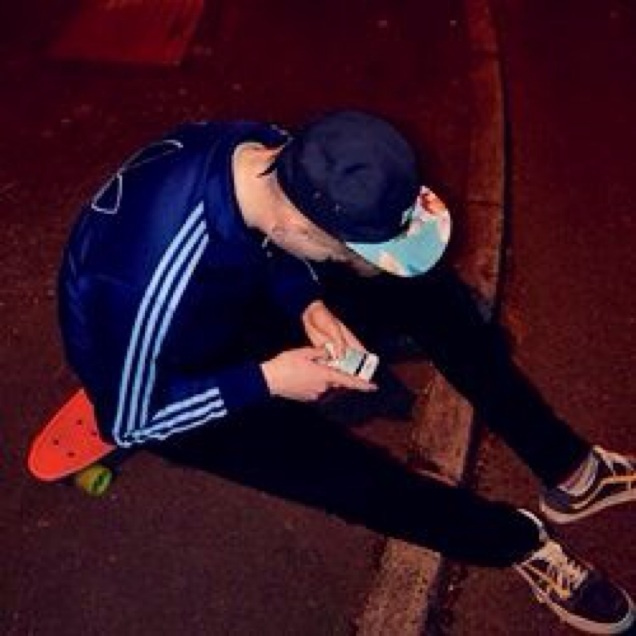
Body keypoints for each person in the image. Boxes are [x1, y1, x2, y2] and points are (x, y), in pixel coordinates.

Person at [58, 110, 636, 634]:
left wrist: (306, 301)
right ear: (302, 228)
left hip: (233, 298)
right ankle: (517, 544)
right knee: (348, 478)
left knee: (424, 291)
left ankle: (570, 471)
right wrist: (269, 379)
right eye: (350, 251)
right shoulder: (142, 287)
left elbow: (272, 242)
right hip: (177, 371)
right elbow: (129, 422)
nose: (362, 264)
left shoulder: (269, 150)